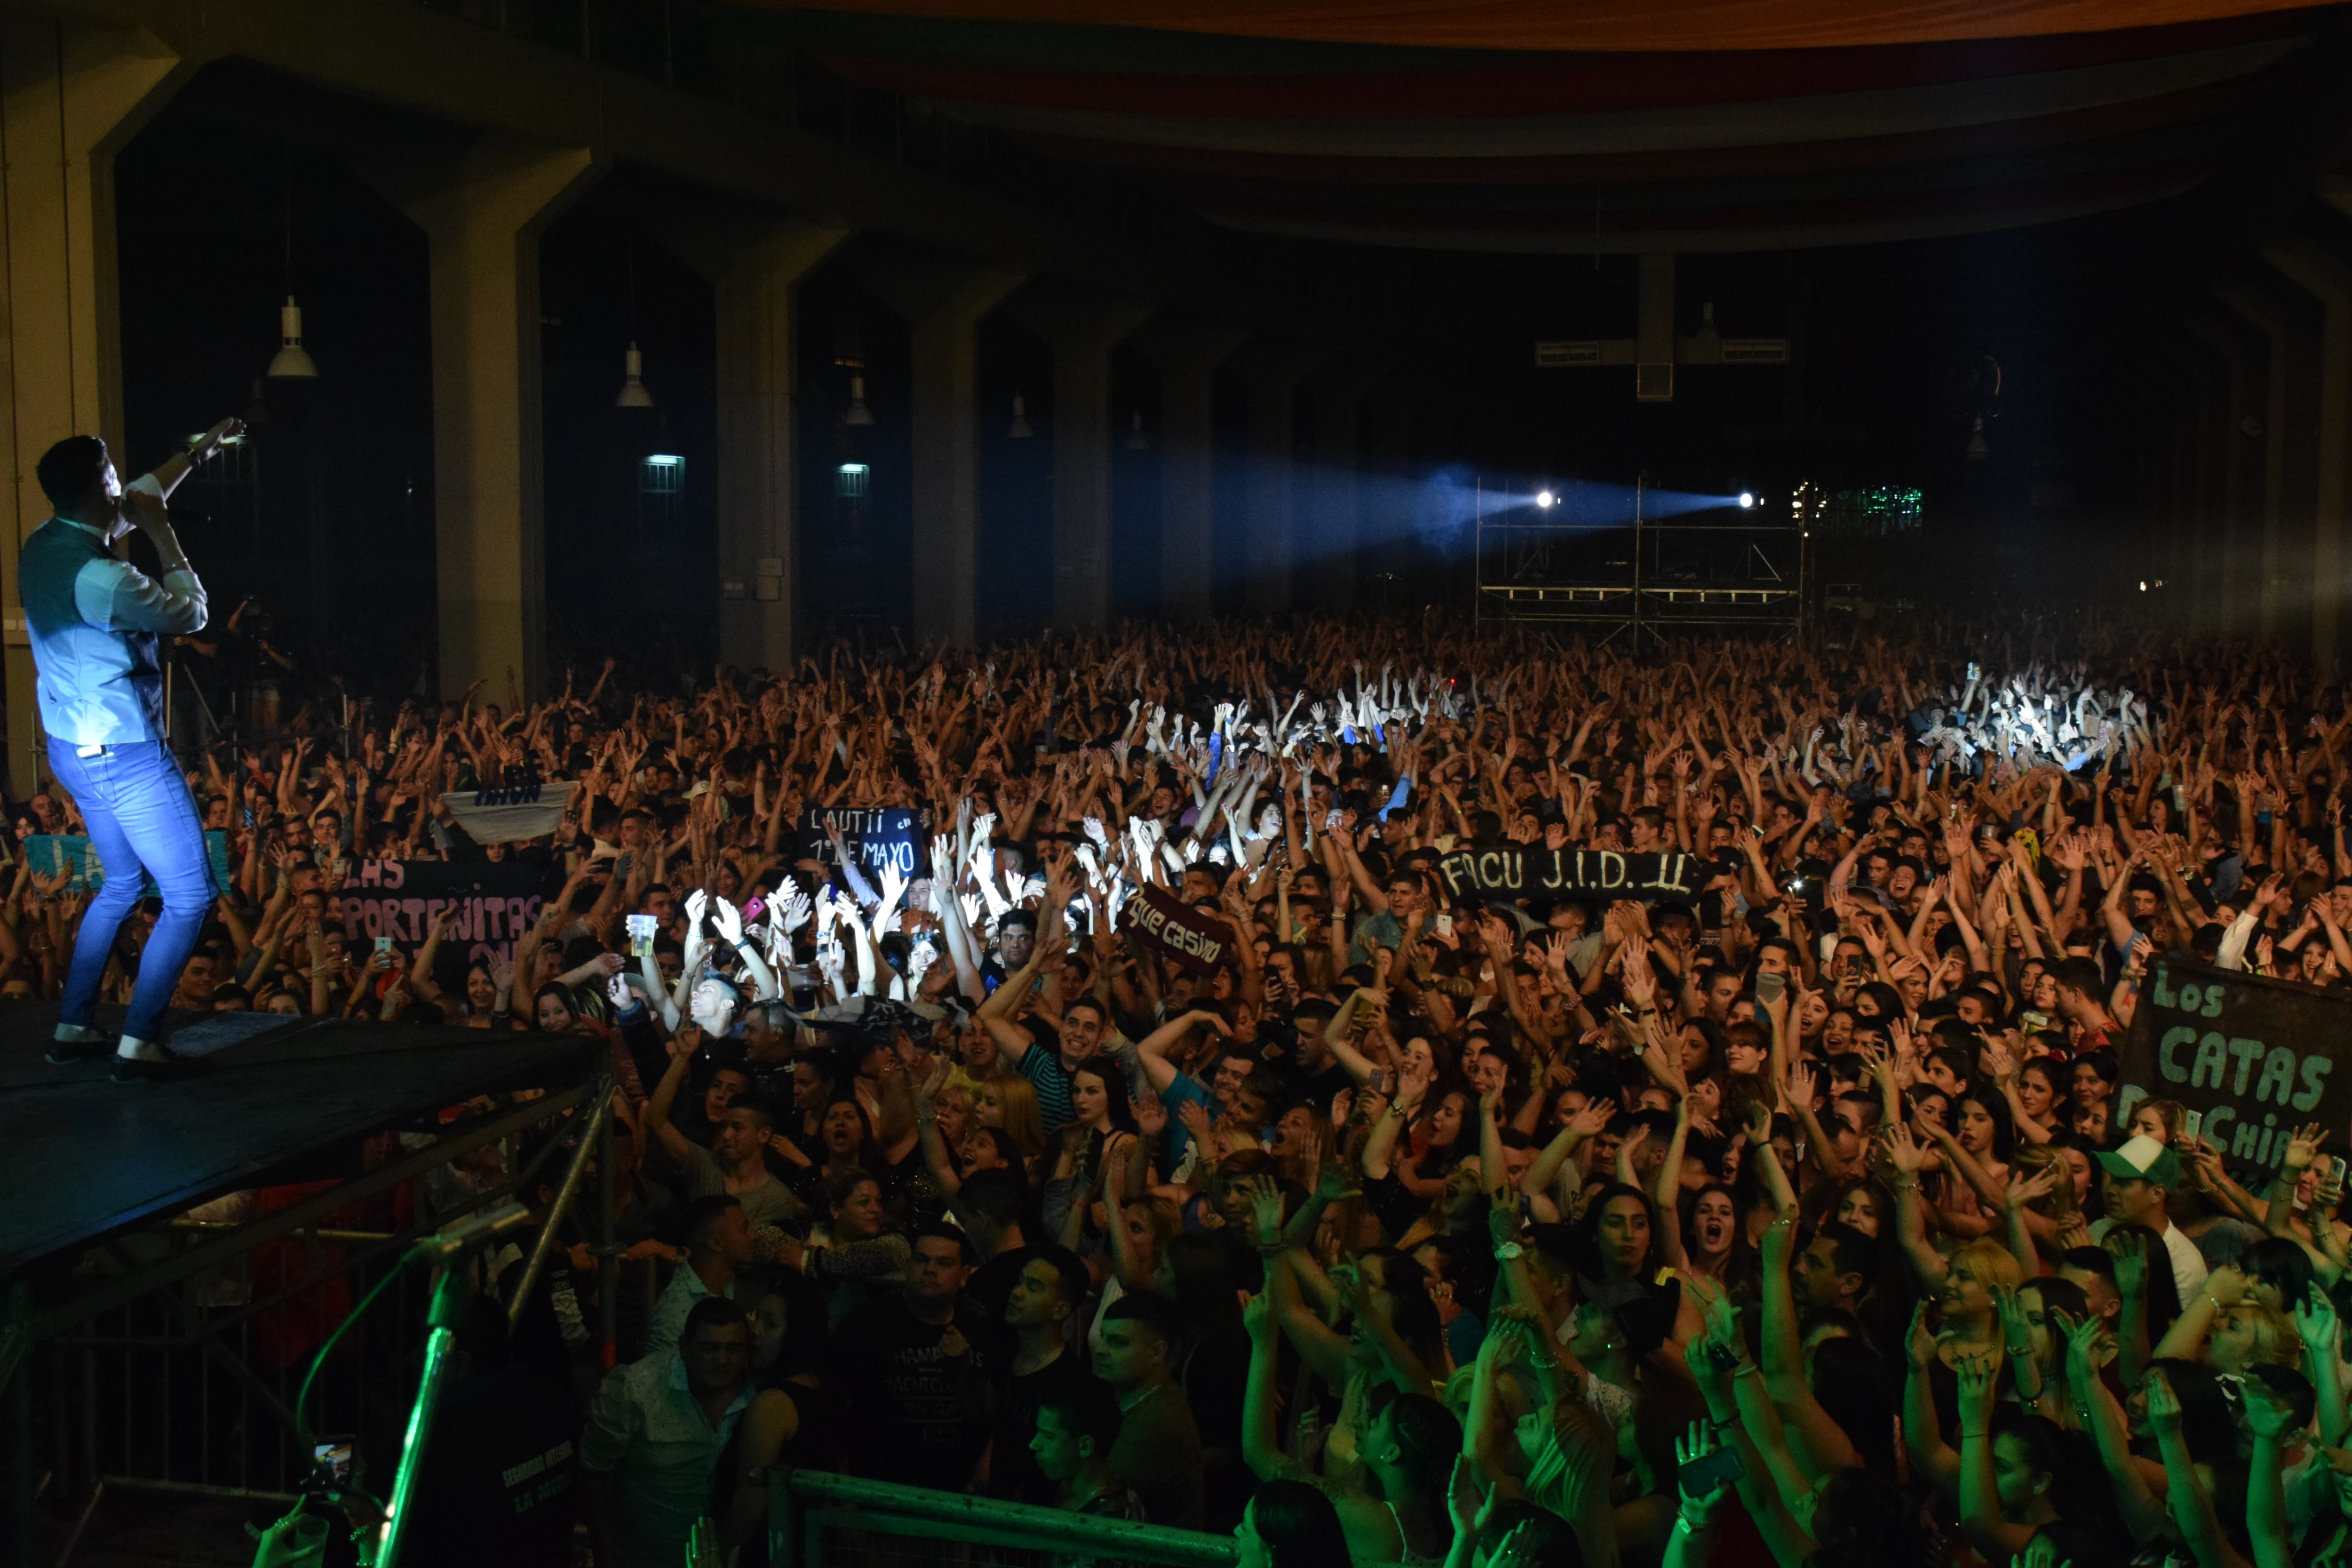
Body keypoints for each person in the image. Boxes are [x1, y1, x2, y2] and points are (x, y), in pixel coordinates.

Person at [27, 422, 241, 1078]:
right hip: (128, 758)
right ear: (101, 489)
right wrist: (162, 531)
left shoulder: (44, 543)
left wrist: (198, 450)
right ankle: (140, 1041)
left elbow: (139, 493)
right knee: (190, 896)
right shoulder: (104, 579)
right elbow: (192, 613)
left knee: (121, 883)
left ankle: (73, 1028)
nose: (125, 480)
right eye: (115, 473)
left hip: (71, 750)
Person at [580, 1296, 755, 1568]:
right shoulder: (636, 1389)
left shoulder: (754, 1392)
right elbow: (592, 1470)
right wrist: (605, 1557)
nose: (723, 1360)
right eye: (710, 1348)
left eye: (733, 1349)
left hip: (721, 1560)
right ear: (684, 1348)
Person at [831, 1223, 994, 1491]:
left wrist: (965, 1364)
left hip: (955, 1493)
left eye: (944, 1263)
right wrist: (843, 1491)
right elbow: (834, 1412)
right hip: (879, 1489)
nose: (930, 1270)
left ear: (964, 1275)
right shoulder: (866, 1326)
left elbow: (988, 1415)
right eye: (921, 1259)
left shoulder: (979, 1330)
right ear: (908, 1266)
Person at [1094, 1290, 1207, 1529]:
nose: (1101, 1349)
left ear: (1157, 1352)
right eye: (1103, 1337)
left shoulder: (1158, 1423)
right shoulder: (1135, 1395)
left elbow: (1094, 1492)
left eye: (1118, 1342)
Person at [643, 1194, 755, 1361]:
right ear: (716, 1243)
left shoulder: (728, 1284)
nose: (754, 1235)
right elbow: (656, 1380)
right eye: (744, 1229)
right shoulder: (676, 1314)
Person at [1031, 1379, 1148, 1518]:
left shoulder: (1107, 1521)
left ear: (1085, 1447)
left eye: (1048, 1436)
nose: (1033, 1445)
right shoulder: (1068, 1488)